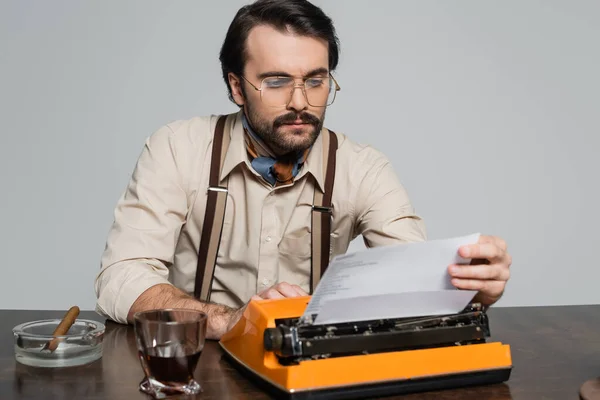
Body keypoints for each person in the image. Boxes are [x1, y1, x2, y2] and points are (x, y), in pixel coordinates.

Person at [94, 0, 512, 340]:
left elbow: (409, 282)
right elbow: (121, 278)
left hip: (309, 364)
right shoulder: (178, 148)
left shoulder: (363, 168)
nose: (300, 101)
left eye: (316, 80)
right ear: (237, 86)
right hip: (198, 361)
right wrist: (228, 320)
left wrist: (468, 290)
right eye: (276, 81)